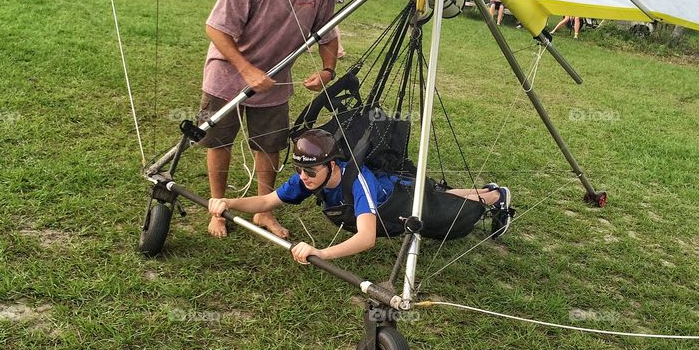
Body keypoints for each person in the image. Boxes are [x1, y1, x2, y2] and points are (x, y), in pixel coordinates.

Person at [199, 0, 338, 240]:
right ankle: (218, 208)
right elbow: (215, 29)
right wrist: (246, 69)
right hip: (228, 72)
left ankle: (264, 211)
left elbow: (329, 36)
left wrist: (328, 70)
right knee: (219, 141)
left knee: (270, 145)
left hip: (274, 78)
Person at [207, 130, 513, 264]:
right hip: (391, 192)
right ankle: (490, 191)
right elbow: (265, 202)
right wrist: (228, 204)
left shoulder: (358, 183)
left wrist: (322, 253)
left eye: (310, 172)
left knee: (445, 208)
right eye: (300, 171)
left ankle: (496, 196)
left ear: (330, 165)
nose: (304, 178)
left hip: (398, 200)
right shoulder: (310, 177)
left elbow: (367, 238)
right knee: (438, 193)